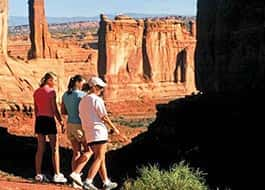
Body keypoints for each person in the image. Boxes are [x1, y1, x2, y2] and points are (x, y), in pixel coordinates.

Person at [79, 77, 121, 190]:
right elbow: (104, 116)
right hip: (99, 132)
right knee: (99, 157)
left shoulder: (83, 100)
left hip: (89, 132)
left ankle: (106, 181)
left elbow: (82, 117)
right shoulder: (97, 100)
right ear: (93, 87)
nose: (101, 90)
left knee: (100, 158)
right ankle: (88, 181)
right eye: (100, 87)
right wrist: (114, 128)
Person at [33, 72, 67, 183]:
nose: (55, 83)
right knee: (54, 148)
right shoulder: (51, 92)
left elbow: (36, 109)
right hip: (49, 120)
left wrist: (37, 121)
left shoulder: (36, 91)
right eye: (54, 80)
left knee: (40, 149)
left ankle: (38, 174)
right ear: (49, 80)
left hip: (39, 120)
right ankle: (57, 174)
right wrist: (61, 121)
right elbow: (54, 108)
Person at [61, 75, 93, 189]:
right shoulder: (82, 95)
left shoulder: (65, 95)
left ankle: (75, 182)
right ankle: (76, 173)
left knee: (76, 152)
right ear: (78, 83)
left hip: (70, 125)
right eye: (83, 83)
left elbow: (63, 111)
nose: (84, 86)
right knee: (89, 150)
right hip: (80, 125)